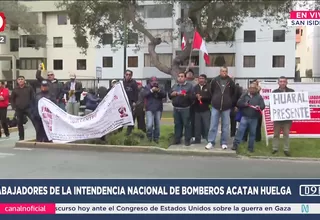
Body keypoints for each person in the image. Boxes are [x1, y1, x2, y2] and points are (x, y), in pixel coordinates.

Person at [205, 66, 236, 150]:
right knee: (213, 125)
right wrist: (215, 99)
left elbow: (233, 93)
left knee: (225, 126)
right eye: (222, 71)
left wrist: (229, 101)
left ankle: (224, 142)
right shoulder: (215, 80)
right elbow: (211, 91)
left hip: (226, 107)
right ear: (220, 72)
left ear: (227, 72)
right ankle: (211, 142)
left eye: (225, 71)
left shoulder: (230, 81)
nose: (224, 72)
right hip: (216, 106)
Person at [232, 83, 265, 152]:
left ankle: (250, 148)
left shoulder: (259, 97)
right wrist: (244, 104)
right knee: (240, 131)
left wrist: (259, 107)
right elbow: (238, 103)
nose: (252, 90)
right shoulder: (244, 95)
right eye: (251, 88)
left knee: (252, 133)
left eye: (254, 88)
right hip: (245, 116)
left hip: (254, 118)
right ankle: (235, 145)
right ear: (249, 89)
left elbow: (263, 106)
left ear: (256, 89)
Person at [169, 72, 194, 146]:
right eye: (179, 76)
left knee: (187, 124)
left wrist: (185, 95)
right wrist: (172, 94)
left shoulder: (189, 86)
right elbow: (169, 95)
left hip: (185, 108)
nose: (180, 78)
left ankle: (187, 140)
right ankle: (177, 139)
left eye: (182, 76)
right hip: (176, 108)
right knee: (177, 124)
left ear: (185, 78)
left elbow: (192, 97)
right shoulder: (174, 86)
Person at [272, 76, 295, 156]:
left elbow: (294, 103)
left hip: (287, 118)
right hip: (277, 118)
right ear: (278, 83)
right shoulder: (274, 92)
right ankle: (275, 148)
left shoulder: (291, 91)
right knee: (276, 134)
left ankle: (286, 149)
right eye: (281, 81)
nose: (282, 83)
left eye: (284, 81)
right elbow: (272, 104)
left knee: (286, 134)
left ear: (286, 82)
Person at [11, 76, 37, 140]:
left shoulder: (29, 88)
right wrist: (14, 106)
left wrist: (33, 106)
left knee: (35, 121)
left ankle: (39, 135)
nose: (20, 80)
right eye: (19, 79)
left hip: (28, 108)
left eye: (22, 79)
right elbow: (12, 99)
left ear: (24, 80)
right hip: (19, 109)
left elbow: (33, 97)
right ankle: (21, 137)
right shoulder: (15, 89)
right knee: (19, 123)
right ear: (17, 81)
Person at [144, 77, 166, 143]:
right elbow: (144, 94)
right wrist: (151, 91)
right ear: (150, 82)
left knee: (157, 125)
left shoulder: (160, 87)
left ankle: (156, 138)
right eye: (153, 82)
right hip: (149, 108)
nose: (154, 83)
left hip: (158, 108)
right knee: (149, 124)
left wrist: (158, 91)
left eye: (156, 81)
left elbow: (164, 95)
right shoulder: (147, 87)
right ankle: (149, 137)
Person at [193, 74, 211, 143]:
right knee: (197, 126)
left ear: (205, 80)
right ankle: (197, 140)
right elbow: (191, 96)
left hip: (205, 110)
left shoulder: (209, 87)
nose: (201, 80)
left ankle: (208, 139)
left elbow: (210, 97)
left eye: (202, 78)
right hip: (197, 110)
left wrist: (202, 98)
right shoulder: (195, 87)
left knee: (207, 126)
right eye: (200, 78)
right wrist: (195, 96)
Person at [123, 69, 138, 135]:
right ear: (124, 75)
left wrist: (134, 102)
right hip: (123, 103)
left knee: (131, 117)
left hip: (131, 103)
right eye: (127, 74)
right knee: (122, 117)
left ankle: (129, 132)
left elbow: (136, 93)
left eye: (129, 75)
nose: (128, 76)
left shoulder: (134, 83)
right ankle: (119, 131)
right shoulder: (122, 83)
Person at [185, 69, 197, 141]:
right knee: (186, 121)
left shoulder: (195, 83)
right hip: (185, 105)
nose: (189, 74)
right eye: (188, 73)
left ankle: (194, 135)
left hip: (194, 105)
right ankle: (187, 134)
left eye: (190, 73)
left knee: (194, 121)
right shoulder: (184, 83)